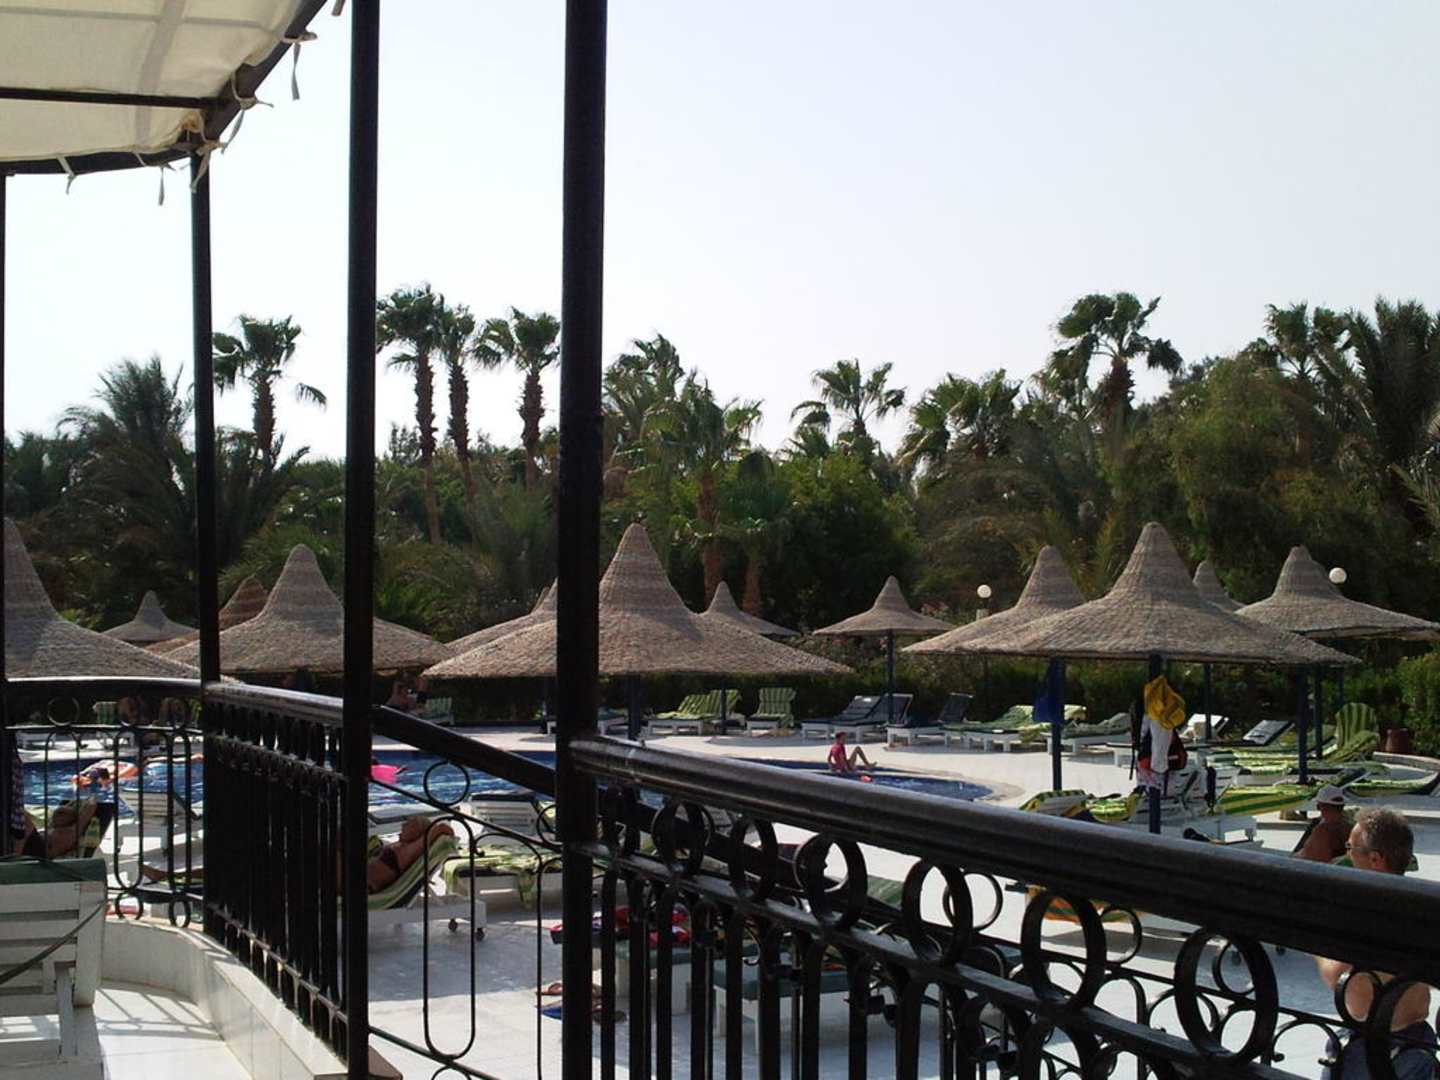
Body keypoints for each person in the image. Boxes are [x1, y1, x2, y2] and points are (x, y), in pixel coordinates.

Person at [1315, 807, 1436, 1078]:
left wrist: (1317, 940)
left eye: (1351, 847)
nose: (1346, 855)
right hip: (1418, 1041)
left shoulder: (1364, 913)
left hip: (1372, 1045)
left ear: (1375, 858)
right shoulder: (1422, 907)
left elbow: (1345, 984)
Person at [367, 815, 453, 894]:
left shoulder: (408, 851)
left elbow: (443, 828)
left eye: (409, 823)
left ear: (417, 832)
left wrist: (426, 832)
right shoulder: (402, 846)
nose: (403, 825)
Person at [1296, 785, 1350, 863]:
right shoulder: (1349, 828)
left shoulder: (1323, 831)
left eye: (1318, 806)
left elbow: (1319, 860)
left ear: (1322, 807)